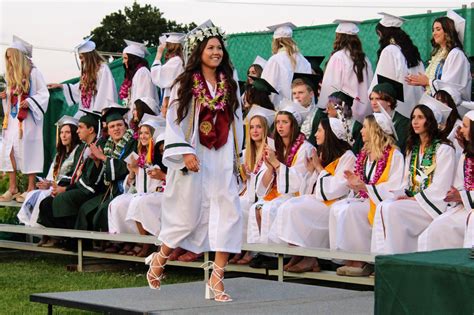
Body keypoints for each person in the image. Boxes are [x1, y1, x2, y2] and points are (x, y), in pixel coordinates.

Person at [145, 21, 243, 303]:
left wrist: (239, 156)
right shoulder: (185, 83)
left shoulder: (229, 83)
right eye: (211, 47)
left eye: (219, 48)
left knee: (229, 212)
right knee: (186, 214)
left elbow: (237, 120)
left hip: (222, 155)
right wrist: (184, 152)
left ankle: (217, 279)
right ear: (199, 50)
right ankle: (159, 258)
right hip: (196, 152)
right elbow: (174, 120)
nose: (216, 52)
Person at [272, 117, 355, 273]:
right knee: (288, 205)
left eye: (319, 131)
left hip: (334, 202)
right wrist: (311, 171)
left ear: (329, 133)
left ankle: (309, 258)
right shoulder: (324, 153)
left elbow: (336, 188)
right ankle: (299, 254)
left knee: (295, 209)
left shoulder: (348, 156)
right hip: (319, 199)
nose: (315, 134)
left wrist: (317, 166)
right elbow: (311, 187)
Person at [371, 103, 456, 255]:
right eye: (413, 118)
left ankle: (395, 257)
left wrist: (415, 198)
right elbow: (406, 182)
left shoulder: (444, 149)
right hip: (414, 200)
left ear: (431, 121)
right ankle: (384, 258)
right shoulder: (413, 149)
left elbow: (441, 187)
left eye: (420, 117)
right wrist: (401, 194)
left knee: (390, 208)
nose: (415, 121)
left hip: (430, 205)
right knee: (384, 205)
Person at [330, 113, 404, 277]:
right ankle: (349, 256)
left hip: (381, 200)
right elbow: (364, 182)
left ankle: (361, 260)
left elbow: (395, 186)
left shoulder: (394, 155)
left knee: (352, 211)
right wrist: (354, 183)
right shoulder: (364, 155)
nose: (361, 130)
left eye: (365, 127)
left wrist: (366, 187)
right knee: (339, 207)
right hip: (365, 198)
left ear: (375, 130)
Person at [247, 103, 314, 246]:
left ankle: (275, 253)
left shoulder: (305, 148)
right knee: (255, 208)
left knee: (269, 209)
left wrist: (276, 163)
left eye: (285, 122)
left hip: (294, 195)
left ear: (293, 125)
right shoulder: (274, 147)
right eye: (278, 122)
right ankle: (260, 250)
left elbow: (299, 180)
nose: (280, 126)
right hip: (276, 192)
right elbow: (263, 184)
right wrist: (271, 167)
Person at [0, 36, 50, 203]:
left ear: (19, 57)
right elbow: (12, 97)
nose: (9, 60)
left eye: (11, 56)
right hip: (13, 120)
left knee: (29, 151)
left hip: (28, 121)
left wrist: (30, 101)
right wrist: (4, 97)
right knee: (10, 151)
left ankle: (30, 187)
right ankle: (13, 187)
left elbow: (44, 94)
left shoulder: (34, 73)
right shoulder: (12, 76)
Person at [107, 115, 166, 256]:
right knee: (117, 203)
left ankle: (147, 243)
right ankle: (126, 240)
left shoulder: (159, 153)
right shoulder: (139, 155)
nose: (143, 136)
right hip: (141, 192)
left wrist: (161, 175)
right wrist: (132, 172)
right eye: (141, 133)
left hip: (160, 193)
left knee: (138, 202)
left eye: (147, 133)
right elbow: (132, 183)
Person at [37, 110, 103, 236]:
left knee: (60, 199)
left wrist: (65, 189)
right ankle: (58, 237)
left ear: (91, 130)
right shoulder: (84, 148)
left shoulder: (98, 146)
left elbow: (91, 180)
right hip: (81, 186)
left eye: (80, 128)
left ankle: (70, 238)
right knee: (46, 202)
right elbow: (77, 174)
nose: (77, 131)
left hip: (91, 190)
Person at [76, 104, 137, 232]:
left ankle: (116, 242)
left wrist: (103, 158)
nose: (116, 129)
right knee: (86, 208)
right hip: (110, 190)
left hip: (126, 189)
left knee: (103, 210)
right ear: (108, 131)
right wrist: (97, 161)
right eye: (112, 126)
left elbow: (125, 168)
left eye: (119, 125)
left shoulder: (132, 143)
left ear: (126, 126)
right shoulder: (108, 146)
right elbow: (102, 176)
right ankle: (85, 246)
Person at [419, 109, 473, 250]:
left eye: (466, 126)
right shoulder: (467, 155)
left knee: (441, 228)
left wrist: (462, 196)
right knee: (431, 232)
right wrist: (456, 194)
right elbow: (460, 184)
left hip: (469, 207)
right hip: (465, 207)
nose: (461, 130)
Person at [230, 105, 275, 265]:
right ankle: (238, 248)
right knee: (234, 205)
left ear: (265, 129)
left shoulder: (271, 149)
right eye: (252, 127)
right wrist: (243, 173)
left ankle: (250, 249)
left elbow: (270, 178)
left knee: (242, 207)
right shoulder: (245, 152)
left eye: (259, 127)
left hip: (265, 193)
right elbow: (242, 180)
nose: (255, 131)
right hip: (248, 192)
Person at [17, 116, 80, 230]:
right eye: (61, 132)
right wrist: (46, 183)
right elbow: (51, 175)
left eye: (67, 132)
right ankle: (38, 230)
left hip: (65, 188)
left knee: (42, 197)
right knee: (32, 194)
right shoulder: (59, 154)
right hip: (53, 186)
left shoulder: (78, 152)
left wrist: (51, 184)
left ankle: (45, 231)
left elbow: (72, 176)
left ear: (74, 134)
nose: (63, 136)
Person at [315, 19, 373, 131]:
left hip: (345, 114)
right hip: (365, 113)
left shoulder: (338, 57)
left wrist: (323, 107)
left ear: (339, 37)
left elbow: (330, 88)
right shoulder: (365, 60)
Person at [406, 10, 471, 106]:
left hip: (451, 108)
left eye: (438, 29)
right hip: (435, 103)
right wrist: (423, 81)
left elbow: (451, 88)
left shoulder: (456, 55)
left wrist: (427, 81)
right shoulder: (438, 54)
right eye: (433, 30)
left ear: (448, 32)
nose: (434, 33)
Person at [369, 12, 424, 118]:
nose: (379, 39)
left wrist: (371, 95)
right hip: (418, 107)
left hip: (399, 109)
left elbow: (383, 82)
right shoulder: (411, 51)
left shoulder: (389, 51)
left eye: (379, 35)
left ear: (383, 34)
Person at [47, 36, 117, 114]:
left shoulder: (102, 69)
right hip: (86, 110)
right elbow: (79, 89)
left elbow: (106, 92)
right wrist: (61, 86)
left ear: (88, 56)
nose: (81, 60)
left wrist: (101, 112)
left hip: (98, 111)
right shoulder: (87, 73)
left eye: (81, 57)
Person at [261, 22, 312, 108]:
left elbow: (268, 88)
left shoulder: (275, 60)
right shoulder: (303, 60)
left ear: (277, 41)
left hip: (282, 110)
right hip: (302, 108)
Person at [369, 78, 410, 153]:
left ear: (389, 101)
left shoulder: (404, 123)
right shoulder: (372, 121)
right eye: (371, 99)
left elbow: (401, 148)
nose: (373, 102)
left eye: (377, 99)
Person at [120, 39, 159, 120]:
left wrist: (137, 118)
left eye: (125, 58)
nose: (123, 61)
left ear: (133, 59)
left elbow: (144, 99)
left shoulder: (143, 72)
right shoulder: (134, 74)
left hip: (142, 117)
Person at [151, 33, 185, 117]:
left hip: (174, 100)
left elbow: (157, 76)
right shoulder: (178, 60)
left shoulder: (176, 61)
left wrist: (159, 54)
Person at [292, 73, 319, 139]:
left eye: (300, 92)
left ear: (311, 94)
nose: (296, 96)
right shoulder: (287, 113)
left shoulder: (318, 115)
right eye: (294, 93)